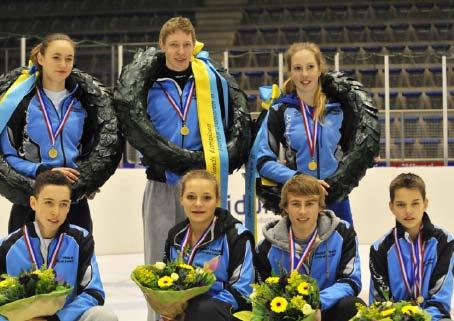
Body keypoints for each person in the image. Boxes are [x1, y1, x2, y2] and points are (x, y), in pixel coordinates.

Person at [256, 42, 378, 225]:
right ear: (290, 72)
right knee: (299, 253)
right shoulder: (280, 110)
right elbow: (263, 161)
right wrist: (297, 177)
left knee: (346, 251)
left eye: (310, 67)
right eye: (297, 68)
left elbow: (356, 149)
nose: (304, 74)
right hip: (299, 201)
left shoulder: (341, 107)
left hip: (334, 196)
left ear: (319, 68)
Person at [0, 33, 96, 234]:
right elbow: (8, 155)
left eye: (68, 59)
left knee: (76, 263)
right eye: (56, 57)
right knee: (26, 264)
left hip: (72, 200)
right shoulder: (18, 104)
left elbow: (92, 151)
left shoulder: (82, 104)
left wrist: (90, 178)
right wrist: (41, 170)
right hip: (30, 198)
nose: (63, 64)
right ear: (41, 59)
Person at [0, 170, 117, 321]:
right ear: (33, 203)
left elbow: (94, 292)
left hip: (66, 318)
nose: (56, 212)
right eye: (49, 202)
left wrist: (57, 319)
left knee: (104, 316)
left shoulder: (80, 239)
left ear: (69, 207)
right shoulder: (7, 246)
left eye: (63, 204)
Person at [255, 174, 363, 321]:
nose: (303, 211)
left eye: (310, 203)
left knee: (352, 306)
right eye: (296, 204)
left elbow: (351, 282)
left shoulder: (343, 233)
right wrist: (294, 311)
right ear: (285, 207)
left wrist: (317, 303)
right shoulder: (267, 247)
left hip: (327, 308)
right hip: (288, 314)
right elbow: (263, 294)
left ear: (320, 206)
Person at [163, 170, 255, 321]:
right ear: (181, 199)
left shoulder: (237, 236)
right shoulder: (176, 236)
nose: (198, 204)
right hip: (188, 307)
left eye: (206, 198)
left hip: (229, 311)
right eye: (191, 197)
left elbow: (242, 291)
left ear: (217, 200)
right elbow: (167, 279)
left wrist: (189, 310)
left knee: (202, 311)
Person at [369, 173, 454, 321]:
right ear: (391, 207)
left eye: (415, 203)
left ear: (425, 203)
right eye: (401, 204)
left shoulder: (445, 242)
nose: (408, 211)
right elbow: (379, 301)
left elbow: (440, 299)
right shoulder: (380, 248)